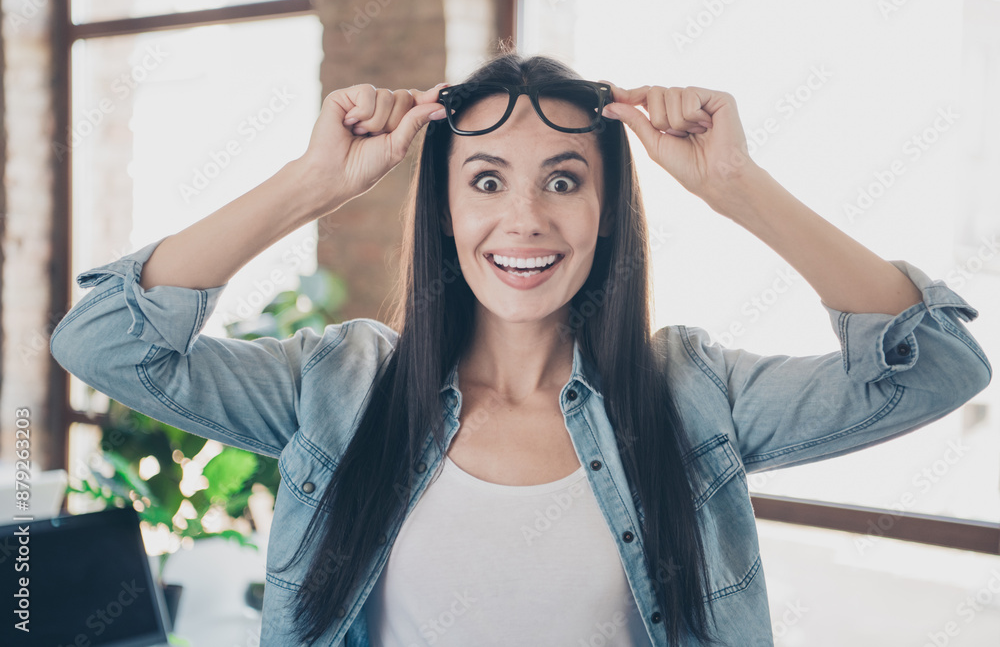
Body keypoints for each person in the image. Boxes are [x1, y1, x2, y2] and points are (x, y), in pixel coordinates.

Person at [49, 51, 991, 646]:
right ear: (446, 205)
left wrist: (736, 185)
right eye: (488, 179)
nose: (524, 220)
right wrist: (312, 182)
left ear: (607, 211)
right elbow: (104, 341)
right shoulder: (338, 384)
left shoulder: (687, 391)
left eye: (565, 180)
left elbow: (935, 365)